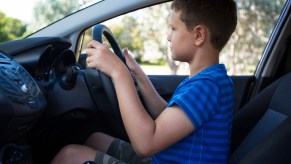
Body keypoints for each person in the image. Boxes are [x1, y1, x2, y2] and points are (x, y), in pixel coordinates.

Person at [51, 0, 237, 163]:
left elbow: (145, 145)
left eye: (173, 29)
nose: (168, 36)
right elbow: (168, 117)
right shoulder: (212, 80)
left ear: (198, 35)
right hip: (165, 158)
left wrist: (120, 73)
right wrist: (139, 76)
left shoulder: (205, 87)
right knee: (96, 139)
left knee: (70, 156)